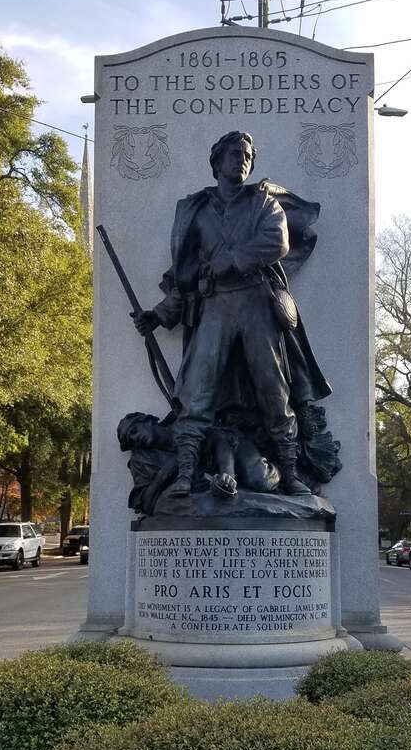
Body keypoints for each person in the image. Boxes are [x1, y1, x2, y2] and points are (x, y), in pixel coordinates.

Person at [134, 131, 331, 498]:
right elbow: (185, 274)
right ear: (217, 161)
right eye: (235, 154)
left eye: (247, 156)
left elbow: (277, 242)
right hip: (214, 306)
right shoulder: (196, 209)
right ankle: (186, 474)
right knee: (197, 393)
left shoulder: (263, 203)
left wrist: (232, 259)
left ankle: (290, 475)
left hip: (257, 303)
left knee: (274, 391)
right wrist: (160, 314)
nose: (242, 160)